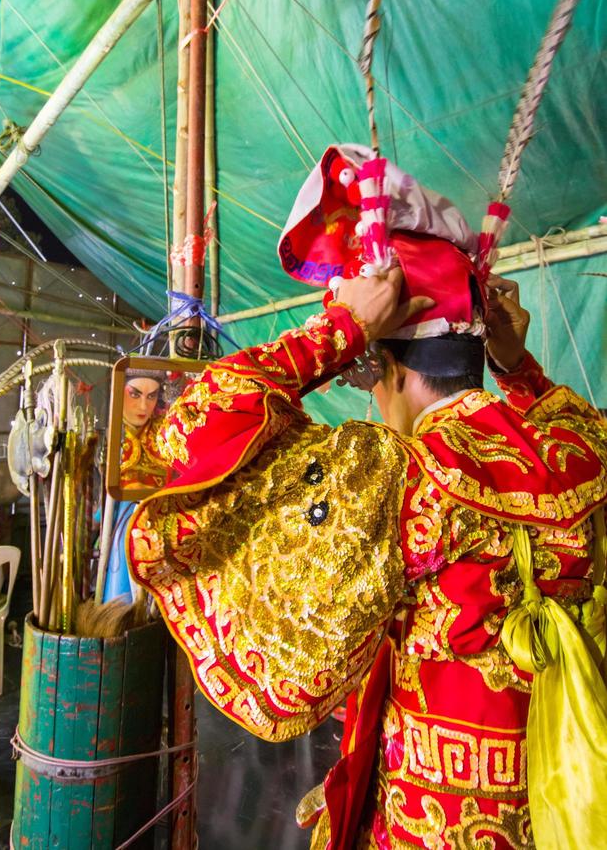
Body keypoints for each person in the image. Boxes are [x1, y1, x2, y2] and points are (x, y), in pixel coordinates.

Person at [127, 158, 607, 848]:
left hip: (432, 819)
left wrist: (338, 330)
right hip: (570, 799)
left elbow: (188, 434)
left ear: (380, 366)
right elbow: (568, 420)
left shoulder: (401, 475)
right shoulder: (575, 452)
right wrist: (518, 366)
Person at [119, 368, 169, 491]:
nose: (143, 406)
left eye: (151, 396)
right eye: (134, 395)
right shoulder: (109, 432)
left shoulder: (165, 429)